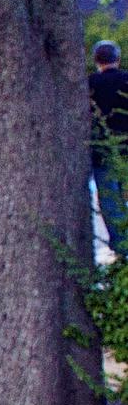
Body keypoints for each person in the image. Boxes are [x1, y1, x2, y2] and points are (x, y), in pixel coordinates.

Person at [92, 40, 128, 254]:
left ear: (96, 60)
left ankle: (123, 248)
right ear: (118, 59)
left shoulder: (90, 84)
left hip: (103, 152)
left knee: (110, 202)